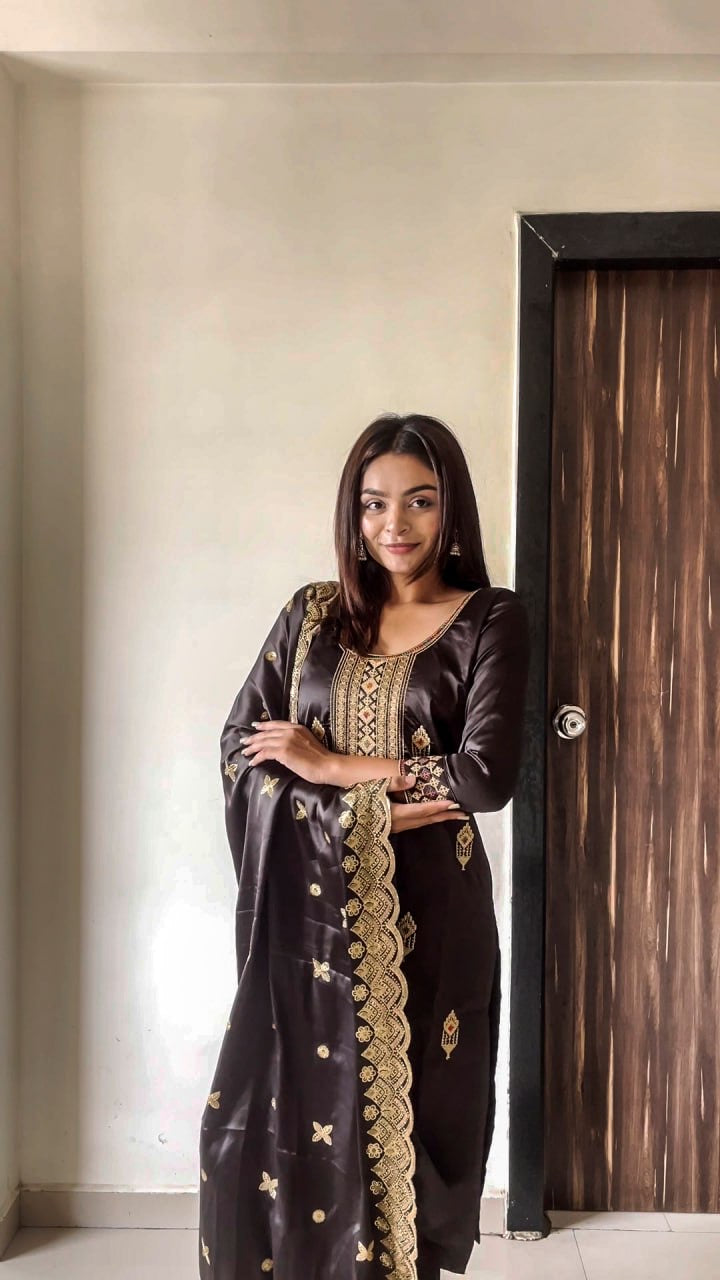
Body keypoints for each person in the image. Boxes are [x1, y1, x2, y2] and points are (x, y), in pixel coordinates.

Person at [198, 412, 531, 1280]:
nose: (396, 525)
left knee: (415, 1132)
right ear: (352, 512)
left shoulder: (490, 618)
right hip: (307, 923)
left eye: (420, 501)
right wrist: (363, 811)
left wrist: (332, 767)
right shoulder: (311, 616)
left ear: (452, 508)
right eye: (374, 503)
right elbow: (241, 747)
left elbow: (483, 778)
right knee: (290, 1121)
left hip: (434, 922)